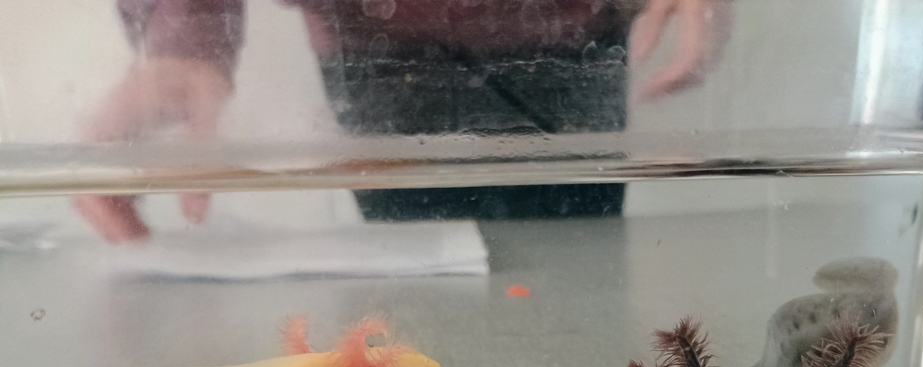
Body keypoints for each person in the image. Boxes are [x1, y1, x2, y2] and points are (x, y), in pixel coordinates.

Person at [75, 0, 730, 242]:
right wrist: (184, 33)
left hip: (569, 39)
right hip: (373, 42)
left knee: (575, 269)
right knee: (409, 283)